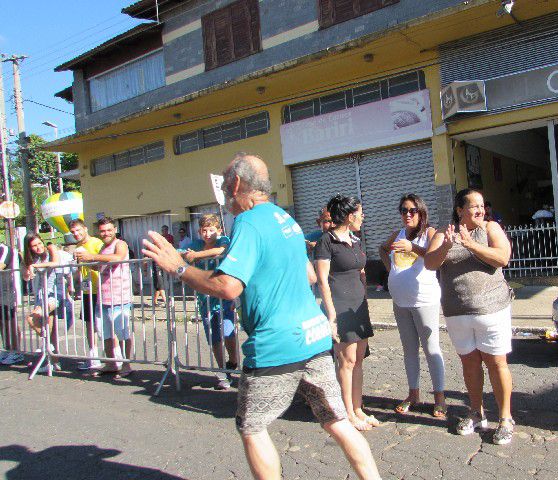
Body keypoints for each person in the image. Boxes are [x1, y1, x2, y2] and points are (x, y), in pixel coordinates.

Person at [142, 153, 380, 480]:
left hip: (275, 345)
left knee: (252, 426)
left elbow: (227, 287)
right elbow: (309, 275)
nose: (223, 193)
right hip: (313, 336)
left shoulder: (248, 222)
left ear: (237, 184)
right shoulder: (286, 219)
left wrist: (179, 268)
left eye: (225, 184)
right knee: (336, 420)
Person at [425, 188, 515, 445]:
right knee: (470, 364)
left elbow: (503, 258)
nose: (480, 210)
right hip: (457, 311)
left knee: (497, 363)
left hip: (492, 309)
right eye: (473, 206)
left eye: (482, 206)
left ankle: (506, 418)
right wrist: (447, 245)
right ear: (459, 210)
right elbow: (430, 264)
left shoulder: (490, 229)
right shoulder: (444, 232)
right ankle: (476, 413)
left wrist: (471, 244)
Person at [379, 194, 446, 418]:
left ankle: (439, 398)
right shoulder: (398, 234)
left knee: (431, 348)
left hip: (424, 300)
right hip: (400, 301)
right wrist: (392, 270)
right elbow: (382, 249)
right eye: (403, 210)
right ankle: (413, 394)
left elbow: (434, 257)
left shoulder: (429, 233)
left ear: (421, 212)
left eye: (412, 210)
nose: (407, 214)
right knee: (409, 350)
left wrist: (412, 247)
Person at [315, 194, 376, 431]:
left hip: (358, 305)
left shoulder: (355, 240)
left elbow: (361, 272)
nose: (363, 217)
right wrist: (331, 315)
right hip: (340, 307)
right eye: (360, 213)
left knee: (358, 360)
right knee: (347, 362)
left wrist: (366, 300)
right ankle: (347, 413)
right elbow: (322, 280)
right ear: (350, 216)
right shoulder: (326, 241)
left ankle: (358, 409)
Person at [181, 213, 239, 390]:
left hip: (223, 297)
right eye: (204, 231)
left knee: (228, 332)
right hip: (204, 300)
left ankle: (233, 360)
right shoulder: (195, 245)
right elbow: (182, 253)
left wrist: (197, 256)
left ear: (218, 230)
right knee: (213, 336)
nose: (207, 234)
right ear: (199, 231)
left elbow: (221, 251)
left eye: (211, 230)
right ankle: (222, 372)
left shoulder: (224, 240)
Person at [76, 218, 134, 379]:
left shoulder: (120, 244)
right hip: (103, 298)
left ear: (114, 229)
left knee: (122, 332)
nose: (106, 233)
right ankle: (111, 363)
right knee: (105, 333)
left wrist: (91, 256)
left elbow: (118, 258)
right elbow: (99, 266)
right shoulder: (102, 248)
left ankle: (126, 363)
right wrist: (86, 262)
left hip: (120, 297)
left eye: (109, 230)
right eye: (102, 231)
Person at [22, 235, 73, 372]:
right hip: (41, 294)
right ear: (29, 248)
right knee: (50, 329)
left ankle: (47, 345)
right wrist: (27, 270)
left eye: (39, 243)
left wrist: (35, 265)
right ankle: (53, 362)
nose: (38, 247)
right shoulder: (31, 258)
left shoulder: (50, 248)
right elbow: (26, 277)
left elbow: (55, 262)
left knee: (32, 317)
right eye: (34, 245)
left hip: (54, 293)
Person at [69, 219, 105, 370]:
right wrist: (71, 283)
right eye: (73, 232)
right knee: (89, 325)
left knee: (103, 325)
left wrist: (89, 258)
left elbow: (104, 265)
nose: (76, 234)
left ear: (85, 228)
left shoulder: (96, 243)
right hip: (86, 290)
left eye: (78, 230)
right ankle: (93, 356)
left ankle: (114, 357)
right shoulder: (77, 247)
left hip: (101, 290)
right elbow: (79, 270)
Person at [0, 242, 23, 366]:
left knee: (10, 322)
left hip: (8, 290)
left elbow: (1, 265)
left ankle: (16, 351)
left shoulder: (5, 249)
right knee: (2, 323)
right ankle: (7, 348)